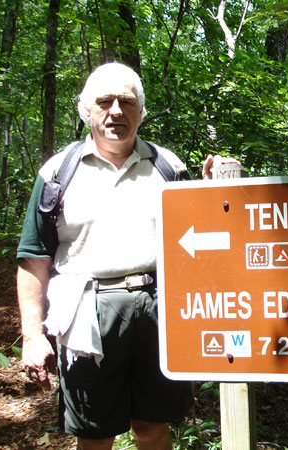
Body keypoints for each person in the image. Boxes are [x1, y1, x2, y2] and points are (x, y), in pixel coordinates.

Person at [17, 62, 235, 449]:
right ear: (87, 110)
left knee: (153, 427)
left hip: (160, 308)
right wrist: (33, 334)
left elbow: (204, 234)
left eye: (126, 101)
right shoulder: (57, 172)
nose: (116, 110)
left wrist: (211, 190)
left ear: (141, 111)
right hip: (85, 311)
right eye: (104, 101)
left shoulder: (168, 166)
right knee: (96, 435)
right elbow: (34, 258)